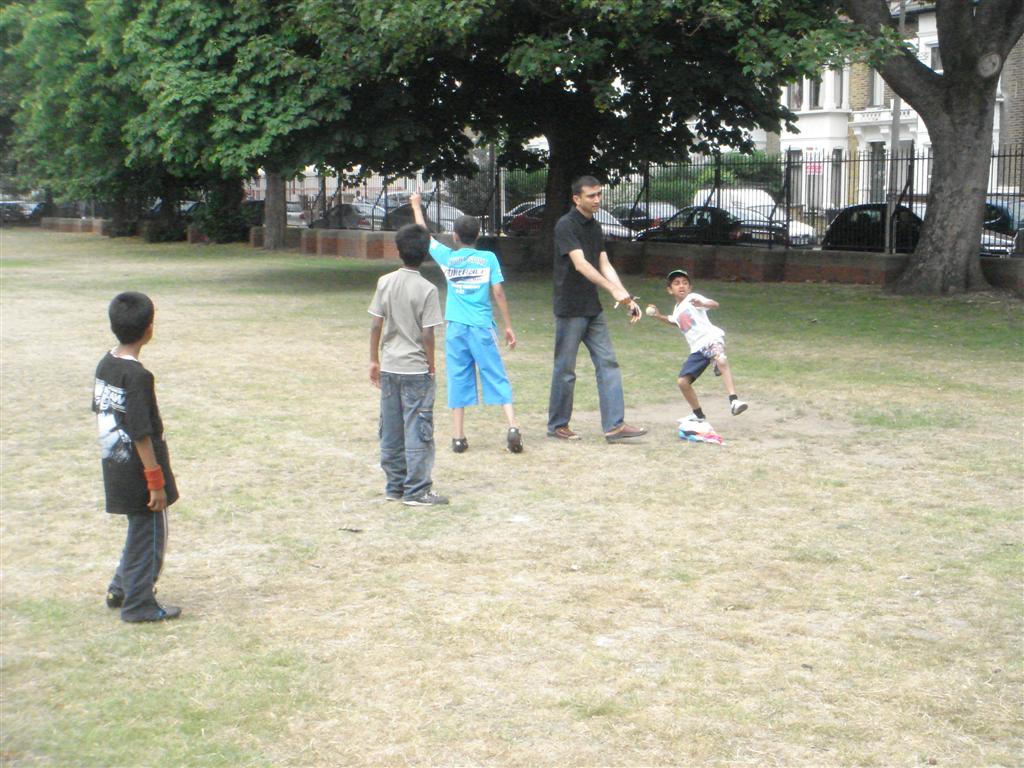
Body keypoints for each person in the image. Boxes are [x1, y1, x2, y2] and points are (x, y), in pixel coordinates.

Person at [408, 191, 523, 454]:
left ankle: (458, 438)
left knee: (458, 377)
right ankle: (512, 425)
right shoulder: (488, 259)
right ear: (478, 235)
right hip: (482, 326)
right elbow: (498, 292)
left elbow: (424, 235)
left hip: (455, 328)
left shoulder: (448, 258)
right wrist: (507, 325)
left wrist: (416, 206)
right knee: (495, 374)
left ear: (455, 236)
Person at [93, 292, 181, 622]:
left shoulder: (106, 364)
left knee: (138, 530)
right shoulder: (138, 377)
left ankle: (121, 587)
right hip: (141, 472)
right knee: (151, 533)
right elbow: (141, 432)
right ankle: (139, 603)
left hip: (114, 465)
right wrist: (155, 481)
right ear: (149, 329)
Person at [548, 175, 647, 443]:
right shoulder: (565, 226)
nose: (597, 200)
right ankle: (558, 424)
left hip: (593, 308)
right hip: (570, 308)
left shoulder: (595, 227)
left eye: (599, 194)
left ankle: (614, 426)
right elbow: (580, 264)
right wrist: (612, 290)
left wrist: (625, 295)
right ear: (576, 198)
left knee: (608, 363)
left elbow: (604, 264)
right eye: (591, 195)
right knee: (566, 370)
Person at [368, 224, 449, 506]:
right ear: (426, 253)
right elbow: (428, 333)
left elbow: (376, 324)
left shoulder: (384, 282)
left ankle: (395, 486)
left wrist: (374, 359)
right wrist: (431, 363)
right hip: (415, 369)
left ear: (398, 250)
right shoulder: (427, 290)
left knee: (391, 427)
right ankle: (417, 490)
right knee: (418, 427)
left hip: (390, 366)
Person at [646, 269, 749, 424]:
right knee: (682, 382)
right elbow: (675, 321)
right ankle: (698, 415)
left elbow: (714, 304)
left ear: (690, 288)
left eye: (685, 283)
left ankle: (734, 401)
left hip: (711, 339)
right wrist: (659, 316)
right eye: (676, 283)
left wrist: (703, 303)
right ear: (669, 290)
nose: (682, 286)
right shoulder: (677, 309)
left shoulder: (693, 298)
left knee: (721, 360)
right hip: (697, 349)